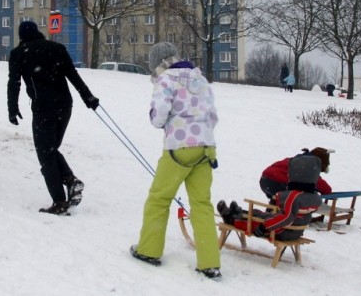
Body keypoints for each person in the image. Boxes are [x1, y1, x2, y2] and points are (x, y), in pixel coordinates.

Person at [130, 42, 222, 281]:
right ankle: (209, 263)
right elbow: (213, 115)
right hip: (206, 148)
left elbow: (159, 117)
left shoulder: (166, 81)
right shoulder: (200, 80)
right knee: (202, 204)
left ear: (158, 64)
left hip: (178, 149)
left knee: (159, 199)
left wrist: (156, 118)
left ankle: (149, 250)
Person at [7, 20, 99, 215]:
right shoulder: (56, 48)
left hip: (44, 108)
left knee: (46, 155)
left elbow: (14, 83)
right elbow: (73, 75)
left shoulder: (18, 53)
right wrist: (88, 97)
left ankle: (59, 201)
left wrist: (12, 109)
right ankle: (71, 181)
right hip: (65, 105)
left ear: (21, 36)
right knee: (51, 149)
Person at [218, 155, 323, 241]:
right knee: (260, 214)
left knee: (254, 222)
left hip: (282, 231)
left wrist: (264, 227)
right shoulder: (314, 197)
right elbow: (294, 216)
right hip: (295, 231)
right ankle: (239, 213)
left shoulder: (294, 197)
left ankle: (231, 219)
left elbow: (286, 218)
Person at [259, 147, 333, 201]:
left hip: (264, 180)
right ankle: (290, 218)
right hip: (276, 183)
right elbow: (318, 182)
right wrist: (327, 192)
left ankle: (271, 215)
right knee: (296, 198)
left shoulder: (299, 159)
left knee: (279, 198)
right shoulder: (309, 165)